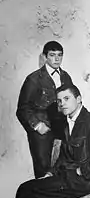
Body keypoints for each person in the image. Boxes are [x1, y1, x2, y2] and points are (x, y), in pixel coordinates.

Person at [16, 41, 73, 178]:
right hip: (42, 132)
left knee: (63, 167)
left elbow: (72, 101)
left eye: (60, 55)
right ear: (45, 57)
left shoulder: (66, 77)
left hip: (61, 129)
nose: (56, 59)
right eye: (52, 55)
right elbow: (22, 109)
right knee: (43, 170)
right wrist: (37, 125)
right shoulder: (34, 79)